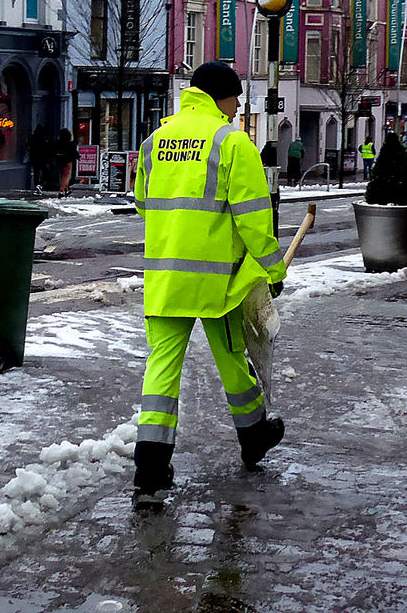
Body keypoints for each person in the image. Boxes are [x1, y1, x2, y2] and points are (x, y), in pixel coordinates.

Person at [132, 60, 287, 507]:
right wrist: (273, 271)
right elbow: (256, 218)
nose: (238, 106)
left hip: (165, 278)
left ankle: (150, 468)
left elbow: (145, 203)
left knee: (161, 369)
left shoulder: (155, 141)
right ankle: (254, 435)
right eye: (235, 97)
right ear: (219, 96)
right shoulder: (231, 142)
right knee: (233, 360)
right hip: (218, 283)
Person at [54, 128, 79, 197]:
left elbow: (53, 150)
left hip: (59, 160)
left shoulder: (57, 142)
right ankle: (61, 191)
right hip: (67, 160)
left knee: (62, 176)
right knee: (65, 176)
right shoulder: (69, 143)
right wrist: (78, 157)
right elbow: (74, 151)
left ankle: (66, 190)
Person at [26, 124, 51, 193]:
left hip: (34, 158)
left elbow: (28, 147)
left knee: (36, 173)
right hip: (42, 158)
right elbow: (47, 149)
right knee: (45, 172)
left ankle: (37, 185)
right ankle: (40, 184)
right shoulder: (43, 139)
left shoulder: (32, 138)